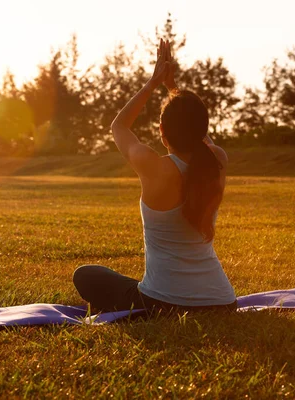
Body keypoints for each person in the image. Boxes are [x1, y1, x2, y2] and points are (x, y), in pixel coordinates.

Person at [73, 39, 236, 314]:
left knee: (86, 274)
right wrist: (173, 89)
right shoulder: (217, 161)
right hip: (222, 302)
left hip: (163, 303)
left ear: (162, 130)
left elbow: (119, 126)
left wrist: (153, 84)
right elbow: (200, 139)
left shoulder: (154, 167)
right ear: (203, 129)